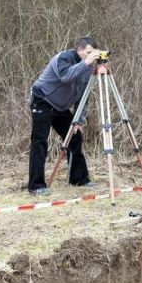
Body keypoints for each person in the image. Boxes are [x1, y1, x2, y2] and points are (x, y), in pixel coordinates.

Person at [28, 36, 102, 195]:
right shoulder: (63, 58)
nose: (90, 56)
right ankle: (36, 186)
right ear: (79, 50)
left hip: (60, 108)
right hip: (42, 100)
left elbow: (84, 95)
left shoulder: (87, 68)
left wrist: (78, 121)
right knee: (39, 141)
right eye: (88, 52)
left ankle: (79, 179)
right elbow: (66, 76)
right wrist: (86, 62)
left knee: (75, 136)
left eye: (93, 53)